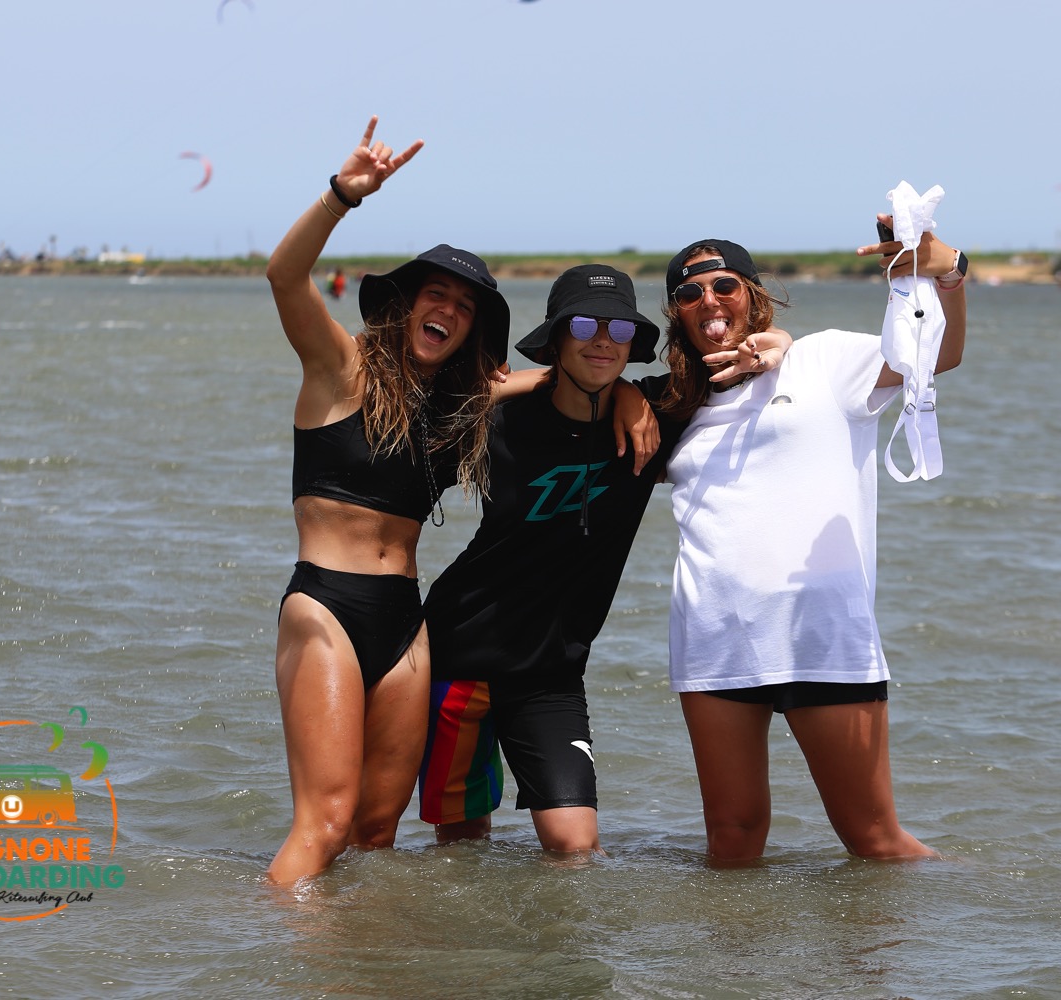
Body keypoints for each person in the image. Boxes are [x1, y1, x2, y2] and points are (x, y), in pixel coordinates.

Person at [659, 226, 967, 864]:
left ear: (754, 295)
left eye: (724, 285)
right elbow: (569, 398)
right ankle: (729, 942)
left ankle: (984, 912)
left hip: (823, 637)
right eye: (690, 293)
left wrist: (949, 274)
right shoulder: (669, 406)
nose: (709, 301)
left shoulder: (822, 361)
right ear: (676, 313)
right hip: (714, 640)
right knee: (732, 842)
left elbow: (936, 356)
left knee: (874, 840)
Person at [263, 117, 511, 884]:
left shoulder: (462, 407)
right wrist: (343, 196)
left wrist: (633, 400)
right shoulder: (339, 368)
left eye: (465, 306)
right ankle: (262, 944)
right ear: (406, 304)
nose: (449, 311)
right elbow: (284, 277)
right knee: (326, 822)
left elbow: (569, 382)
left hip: (405, 624)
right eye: (437, 295)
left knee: (375, 831)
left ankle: (358, 951)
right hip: (326, 608)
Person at [419, 265, 739, 855]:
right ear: (556, 338)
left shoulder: (655, 420)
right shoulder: (501, 424)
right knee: (462, 847)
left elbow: (740, 364)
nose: (603, 341)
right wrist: (518, 385)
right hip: (461, 654)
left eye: (620, 329)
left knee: (576, 848)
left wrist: (631, 394)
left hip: (552, 671)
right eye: (585, 326)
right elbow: (425, 405)